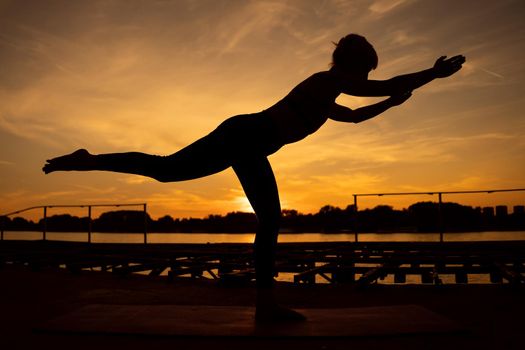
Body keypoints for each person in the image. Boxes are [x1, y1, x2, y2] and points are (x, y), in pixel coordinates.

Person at [43, 34, 465, 323]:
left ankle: (88, 159)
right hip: (245, 136)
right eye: (366, 72)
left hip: (245, 138)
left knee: (166, 170)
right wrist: (431, 75)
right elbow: (383, 87)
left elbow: (354, 116)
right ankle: (266, 306)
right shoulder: (326, 81)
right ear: (353, 66)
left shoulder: (325, 96)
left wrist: (393, 103)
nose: (369, 79)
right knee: (248, 209)